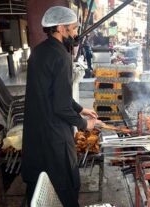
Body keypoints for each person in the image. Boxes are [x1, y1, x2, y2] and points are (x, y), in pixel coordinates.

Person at [21, 6, 102, 207]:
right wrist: (85, 124)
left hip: (36, 134)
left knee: (37, 188)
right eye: (73, 28)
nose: (75, 33)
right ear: (59, 27)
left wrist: (80, 108)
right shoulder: (61, 57)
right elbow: (60, 106)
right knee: (65, 187)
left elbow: (53, 95)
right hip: (55, 135)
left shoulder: (38, 52)